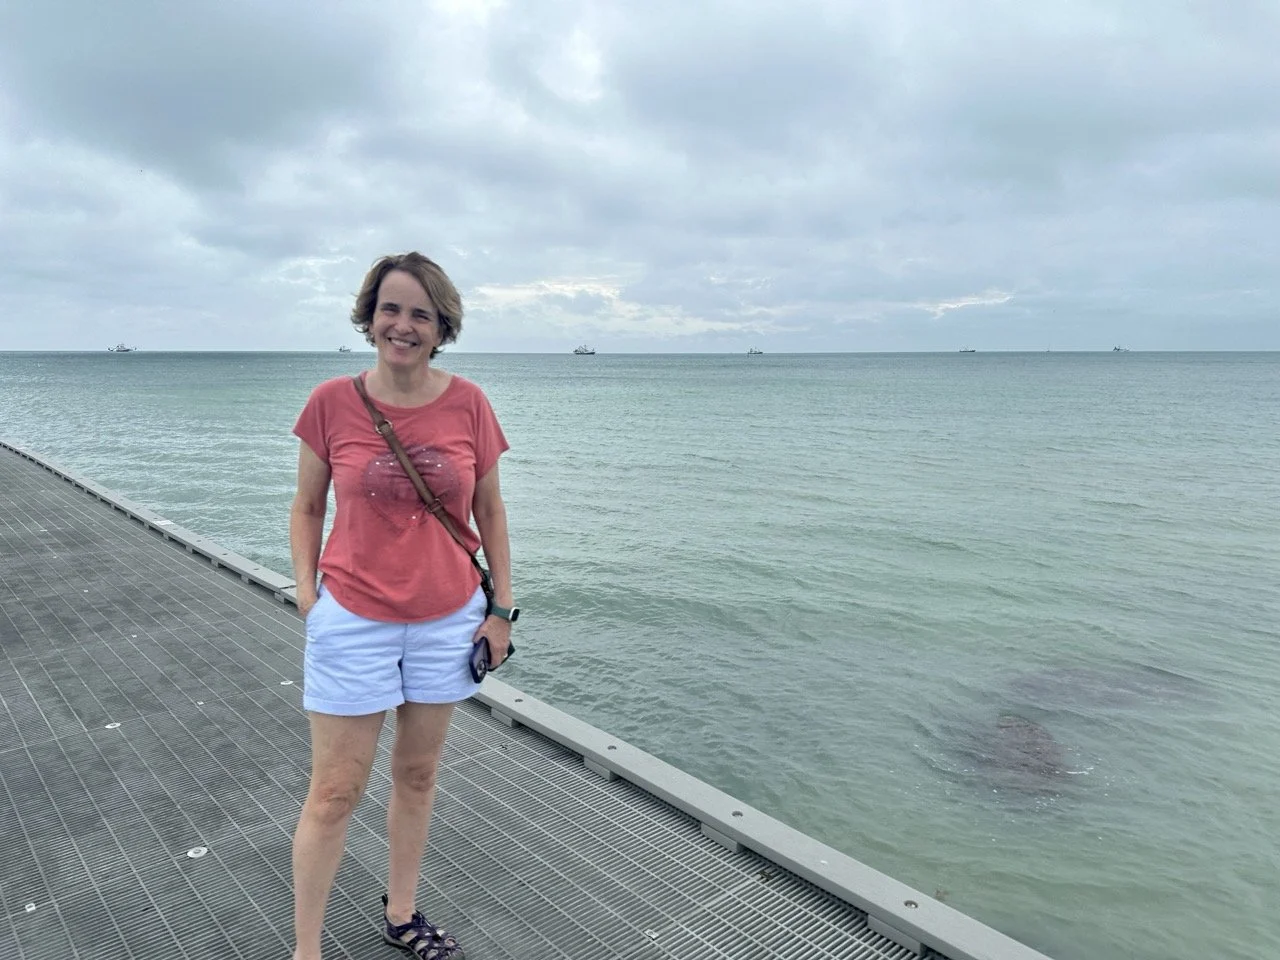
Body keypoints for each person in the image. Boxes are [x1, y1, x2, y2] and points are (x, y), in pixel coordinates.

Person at [288, 252, 516, 960]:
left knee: (417, 775)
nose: (404, 325)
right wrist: (308, 596)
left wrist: (501, 610)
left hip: (448, 619)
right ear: (369, 316)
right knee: (334, 793)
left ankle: (402, 915)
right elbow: (307, 506)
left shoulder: (470, 403)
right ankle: (306, 950)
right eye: (391, 308)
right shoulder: (332, 401)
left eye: (422, 313)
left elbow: (490, 510)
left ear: (442, 328)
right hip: (353, 618)